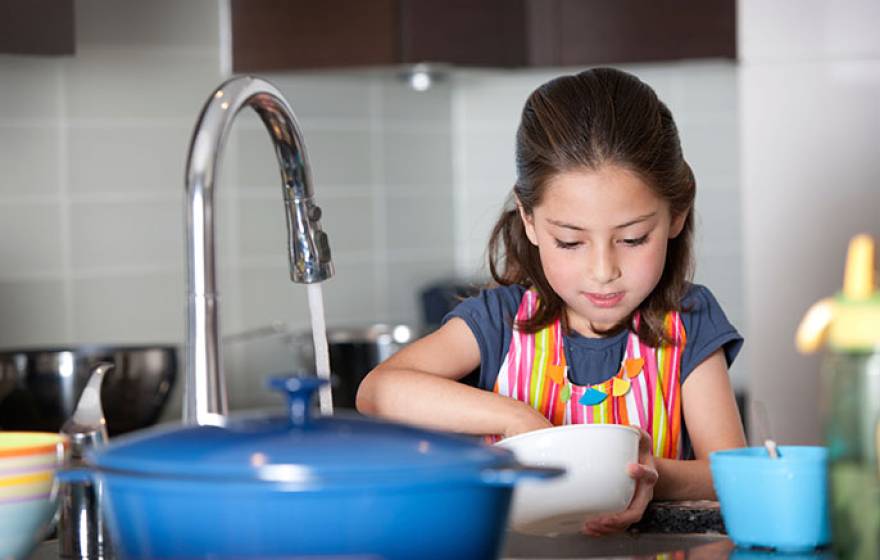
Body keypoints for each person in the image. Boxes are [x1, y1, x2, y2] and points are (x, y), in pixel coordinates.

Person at [356, 67, 746, 535]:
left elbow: (732, 473)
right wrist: (515, 417)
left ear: (677, 214)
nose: (604, 271)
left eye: (634, 238)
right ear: (531, 221)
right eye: (570, 241)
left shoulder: (688, 321)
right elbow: (377, 392)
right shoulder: (499, 321)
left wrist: (649, 477)